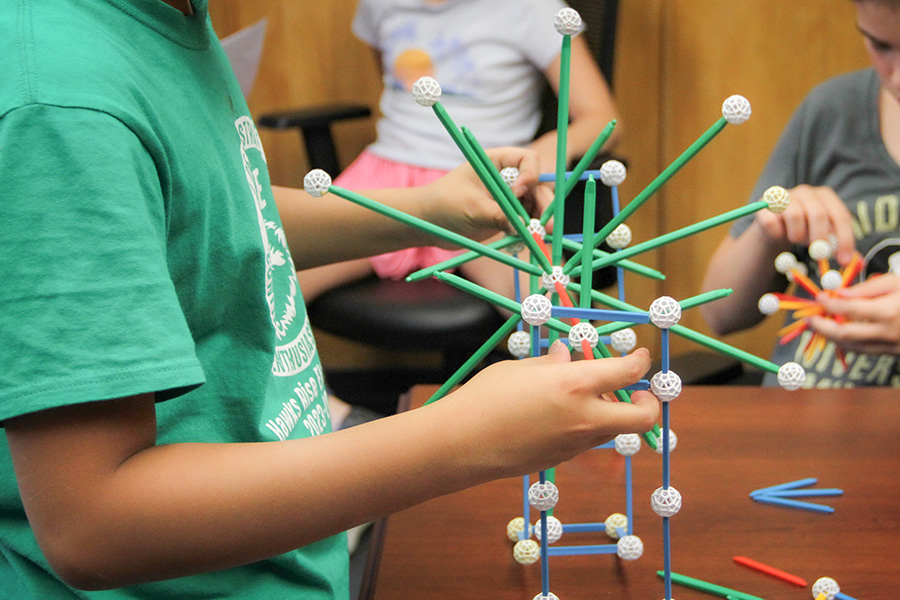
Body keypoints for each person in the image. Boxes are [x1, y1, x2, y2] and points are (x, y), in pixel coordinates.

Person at [0, 1, 659, 599]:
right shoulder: (61, 106)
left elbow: (213, 207)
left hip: (278, 551)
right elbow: (92, 526)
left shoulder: (171, 19)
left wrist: (426, 209)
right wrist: (462, 436)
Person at [297, 0, 620, 302]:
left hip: (483, 184)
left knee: (551, 306)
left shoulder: (532, 8)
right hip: (381, 180)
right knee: (277, 284)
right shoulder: (379, 5)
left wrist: (552, 146)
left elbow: (603, 117)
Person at [700, 0, 900, 387]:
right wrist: (768, 233)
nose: (897, 77)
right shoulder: (831, 110)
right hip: (797, 405)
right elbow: (720, 314)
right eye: (880, 45)